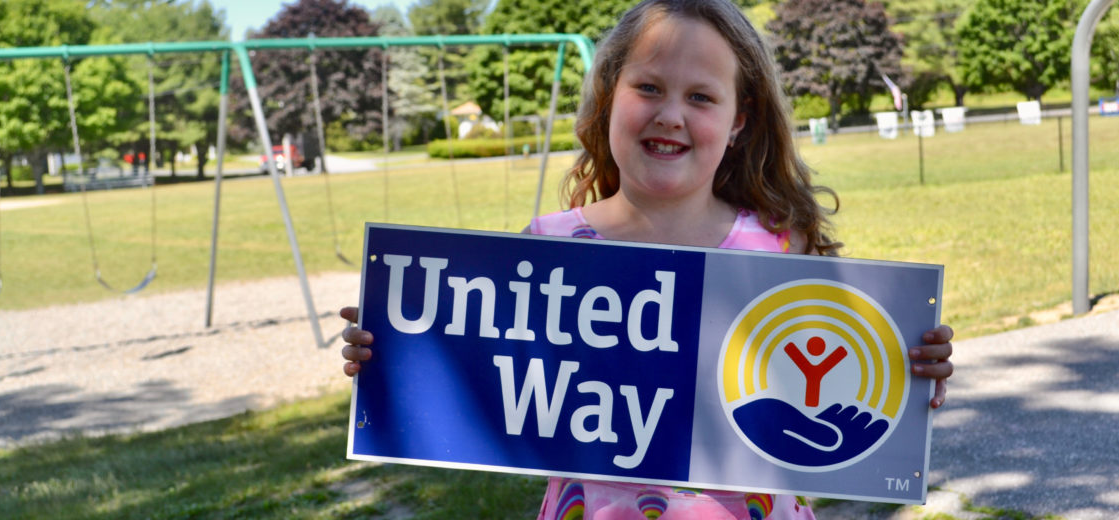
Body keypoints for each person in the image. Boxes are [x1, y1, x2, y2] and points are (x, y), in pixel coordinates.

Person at [341, 0, 954, 517]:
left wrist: (908, 374)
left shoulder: (778, 245)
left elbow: (842, 379)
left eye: (701, 97)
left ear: (738, 121)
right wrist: (396, 349)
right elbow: (488, 382)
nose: (670, 114)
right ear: (609, 97)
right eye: (650, 87)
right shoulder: (545, 248)